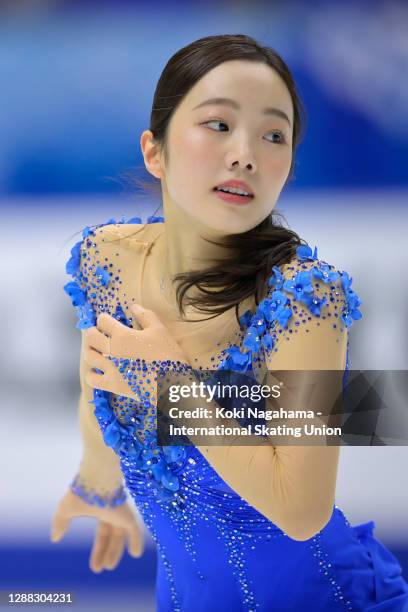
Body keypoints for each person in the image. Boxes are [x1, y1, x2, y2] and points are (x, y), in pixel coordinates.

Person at [51, 34, 408, 611]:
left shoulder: (303, 299)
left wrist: (172, 387)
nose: (245, 152)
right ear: (155, 151)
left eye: (274, 135)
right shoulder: (106, 258)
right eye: (218, 124)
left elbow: (300, 510)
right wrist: (96, 482)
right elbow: (102, 381)